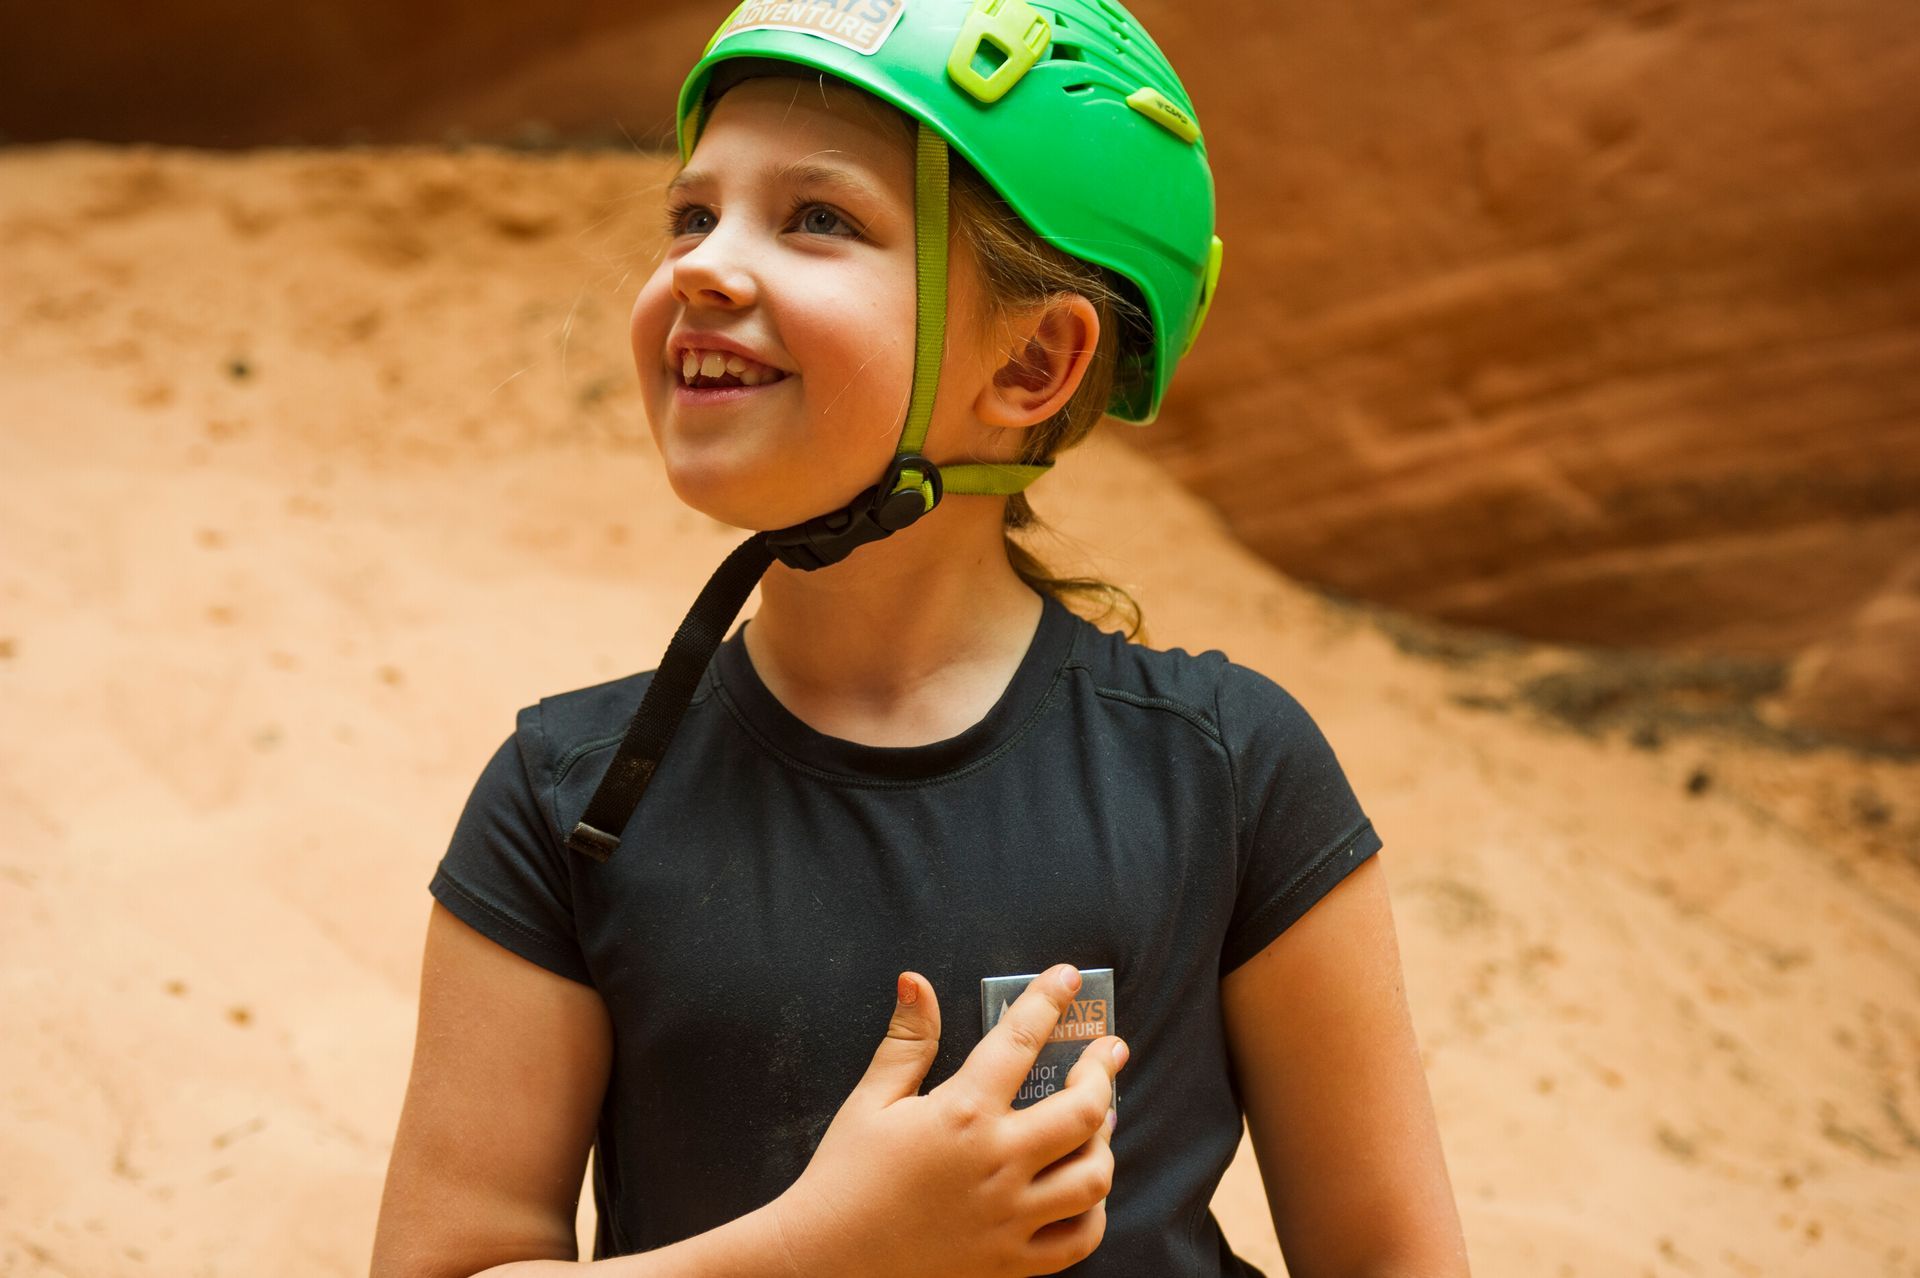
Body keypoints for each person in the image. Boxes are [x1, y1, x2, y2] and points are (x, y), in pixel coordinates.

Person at [373, 2, 1468, 1276]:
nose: (701, 268)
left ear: (1037, 361)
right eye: (692, 214)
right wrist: (831, 1250)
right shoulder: (564, 796)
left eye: (817, 219)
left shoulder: (1225, 769)